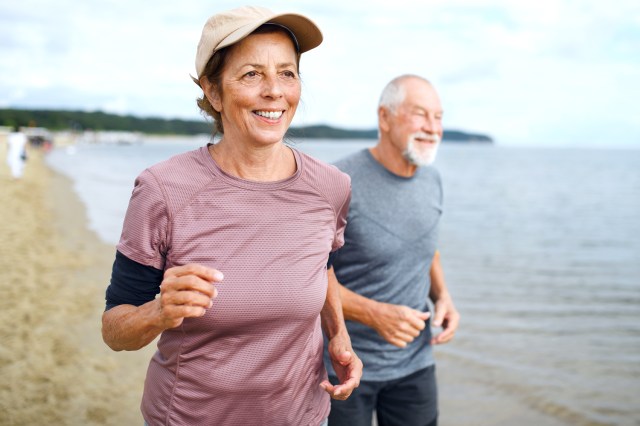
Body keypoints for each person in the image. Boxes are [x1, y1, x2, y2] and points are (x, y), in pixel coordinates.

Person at [101, 6, 362, 425]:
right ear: (215, 92)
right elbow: (114, 329)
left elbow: (322, 265)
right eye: (252, 74)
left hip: (304, 416)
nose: (275, 91)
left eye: (288, 73)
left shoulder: (331, 187)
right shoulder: (163, 190)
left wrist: (339, 335)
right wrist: (158, 312)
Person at [324, 75, 461, 426]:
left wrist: (443, 295)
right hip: (345, 364)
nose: (433, 128)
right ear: (384, 118)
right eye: (420, 114)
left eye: (439, 117)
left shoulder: (433, 180)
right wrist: (374, 314)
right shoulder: (339, 183)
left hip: (416, 365)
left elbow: (426, 247)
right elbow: (307, 276)